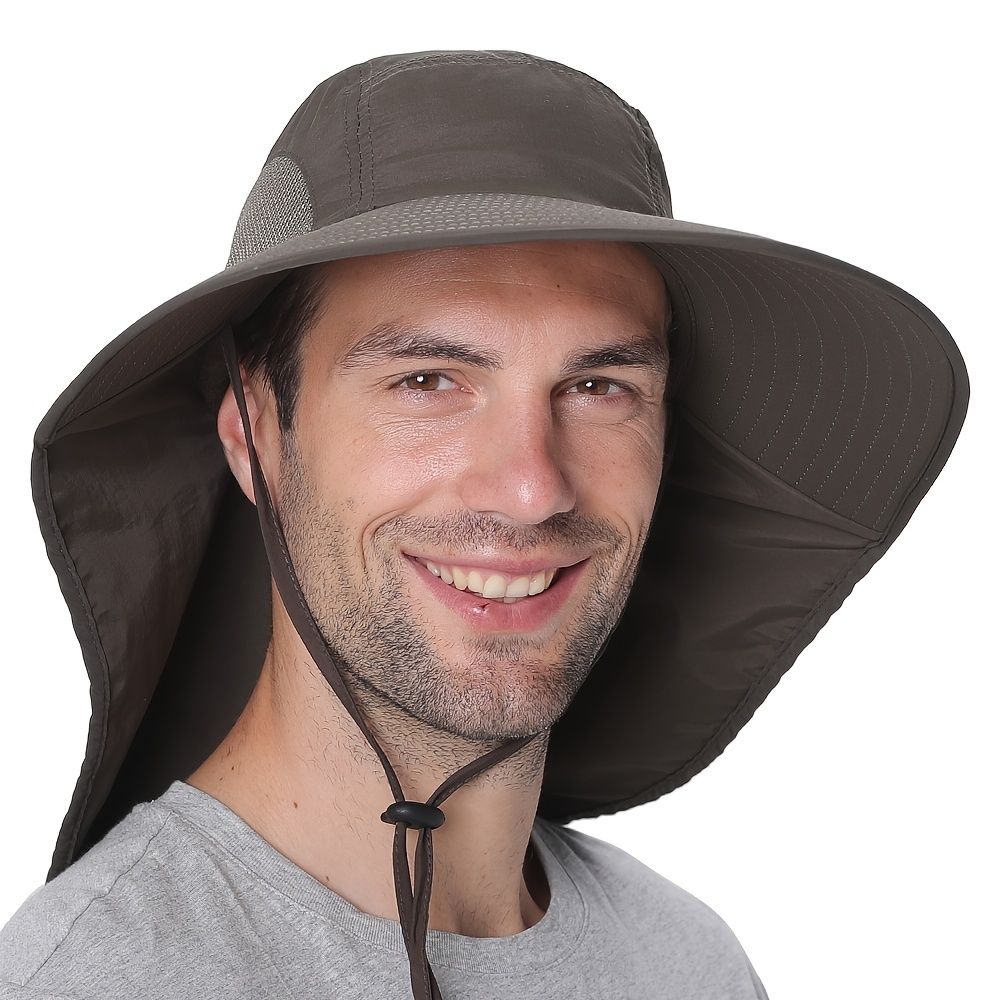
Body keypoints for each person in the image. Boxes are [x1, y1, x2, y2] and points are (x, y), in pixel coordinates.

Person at [0, 48, 968, 1000]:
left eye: (598, 386)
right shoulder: (91, 979)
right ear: (254, 436)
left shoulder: (684, 959)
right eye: (427, 380)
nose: (532, 488)